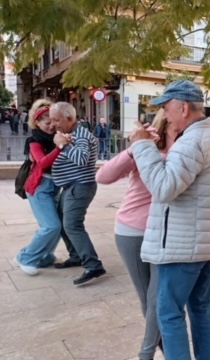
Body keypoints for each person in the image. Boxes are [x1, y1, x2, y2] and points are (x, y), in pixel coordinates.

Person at [128, 80, 210, 359]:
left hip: (184, 246)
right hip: (205, 242)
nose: (165, 115)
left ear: (183, 107)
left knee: (169, 313)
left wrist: (142, 147)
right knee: (201, 308)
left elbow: (164, 188)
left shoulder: (191, 142)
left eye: (166, 108)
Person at [95, 110, 175, 360]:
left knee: (157, 298)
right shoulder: (145, 150)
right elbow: (103, 176)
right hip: (133, 231)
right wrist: (134, 149)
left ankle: (149, 353)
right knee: (148, 299)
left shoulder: (191, 151)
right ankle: (163, 350)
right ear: (165, 125)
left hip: (168, 234)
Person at [50, 102, 106, 285]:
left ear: (70, 118)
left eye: (56, 120)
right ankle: (76, 256)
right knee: (62, 222)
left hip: (80, 186)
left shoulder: (81, 134)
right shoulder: (71, 134)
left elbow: (81, 159)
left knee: (72, 225)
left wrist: (62, 146)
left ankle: (93, 265)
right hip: (72, 187)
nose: (53, 124)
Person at [14, 100, 62, 275]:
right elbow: (42, 162)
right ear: (37, 123)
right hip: (39, 186)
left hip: (54, 186)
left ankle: (45, 257)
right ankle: (26, 257)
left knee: (56, 225)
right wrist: (59, 146)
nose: (50, 126)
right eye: (46, 122)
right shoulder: (35, 140)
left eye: (53, 122)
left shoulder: (57, 136)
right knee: (51, 226)